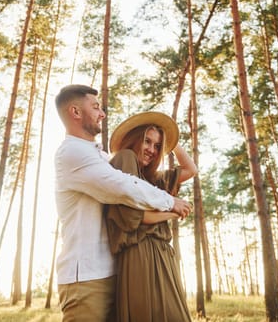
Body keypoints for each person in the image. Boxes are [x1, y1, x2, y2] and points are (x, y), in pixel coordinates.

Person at [54, 84, 192, 322]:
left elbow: (136, 184)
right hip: (86, 277)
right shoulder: (72, 153)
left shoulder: (101, 157)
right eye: (95, 107)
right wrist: (171, 203)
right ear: (75, 112)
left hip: (113, 270)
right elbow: (122, 187)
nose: (102, 113)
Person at [105, 111, 198, 322]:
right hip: (140, 253)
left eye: (157, 146)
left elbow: (191, 169)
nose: (151, 150)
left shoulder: (153, 179)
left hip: (162, 253)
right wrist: (172, 212)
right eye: (147, 141)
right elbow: (135, 218)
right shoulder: (125, 158)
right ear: (135, 139)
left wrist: (170, 141)